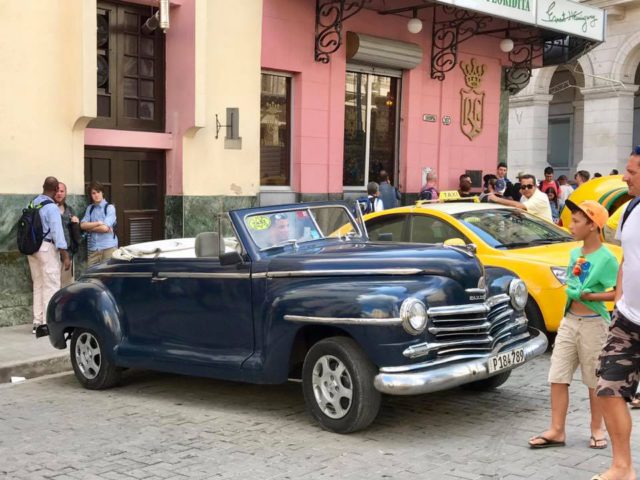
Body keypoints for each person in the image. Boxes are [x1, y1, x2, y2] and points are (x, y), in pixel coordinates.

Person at [528, 200, 617, 452]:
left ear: (592, 225)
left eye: (577, 221)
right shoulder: (573, 254)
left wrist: (590, 296)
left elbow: (616, 293)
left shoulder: (607, 258)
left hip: (594, 324)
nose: (571, 224)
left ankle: (597, 428)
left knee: (593, 380)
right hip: (569, 321)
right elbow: (573, 282)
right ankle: (557, 429)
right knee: (558, 375)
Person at [592, 149, 640, 480]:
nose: (625, 177)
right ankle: (622, 467)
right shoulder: (630, 209)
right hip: (627, 319)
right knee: (608, 388)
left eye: (632, 172)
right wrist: (618, 301)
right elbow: (627, 258)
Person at [27, 177, 70, 334]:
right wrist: (65, 255)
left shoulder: (32, 203)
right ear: (54, 190)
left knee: (38, 285)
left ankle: (37, 323)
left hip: (32, 250)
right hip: (46, 248)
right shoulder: (51, 207)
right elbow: (57, 234)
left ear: (43, 186)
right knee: (51, 285)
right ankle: (48, 324)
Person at [80, 181, 118, 267]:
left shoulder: (110, 208)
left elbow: (104, 228)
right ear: (91, 195)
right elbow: (82, 225)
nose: (96, 195)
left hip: (108, 248)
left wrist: (89, 228)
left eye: (98, 192)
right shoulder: (90, 208)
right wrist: (98, 223)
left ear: (102, 193)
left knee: (108, 276)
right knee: (91, 276)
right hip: (94, 249)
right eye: (93, 193)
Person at [488, 174, 553, 222]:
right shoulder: (524, 197)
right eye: (523, 187)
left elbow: (519, 206)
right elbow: (518, 211)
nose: (526, 189)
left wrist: (497, 199)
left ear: (535, 186)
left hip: (547, 235)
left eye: (529, 186)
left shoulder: (541, 197)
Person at [54, 182, 79, 287]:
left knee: (67, 287)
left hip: (68, 254)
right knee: (53, 286)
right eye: (57, 191)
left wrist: (76, 223)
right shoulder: (49, 209)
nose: (59, 193)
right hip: (52, 254)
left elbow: (76, 235)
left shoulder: (70, 210)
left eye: (62, 191)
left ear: (65, 193)